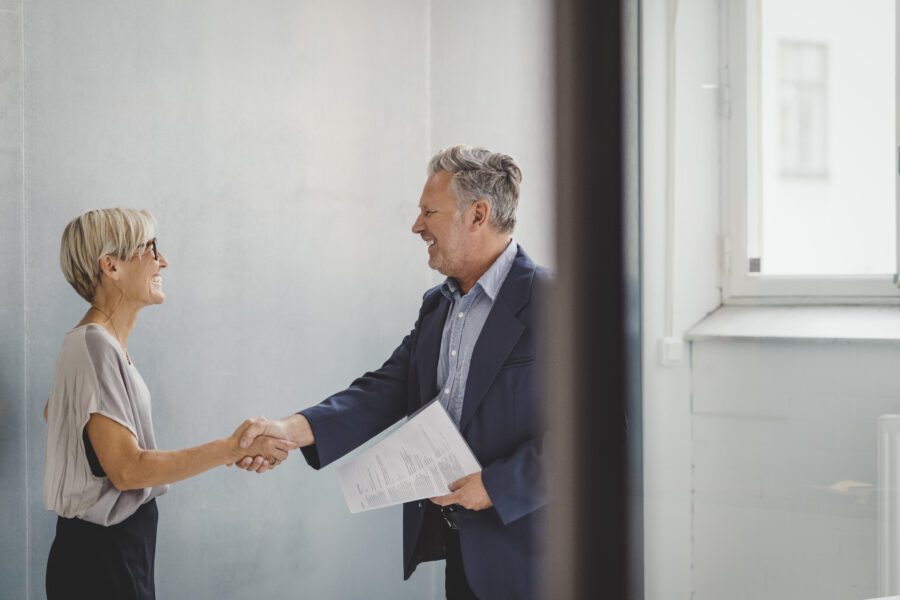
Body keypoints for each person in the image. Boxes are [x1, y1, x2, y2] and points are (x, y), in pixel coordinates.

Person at [238, 145, 550, 600]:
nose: (417, 225)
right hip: (463, 552)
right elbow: (386, 388)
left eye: (429, 211)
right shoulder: (439, 305)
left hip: (535, 560)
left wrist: (498, 486)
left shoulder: (555, 302)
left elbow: (600, 439)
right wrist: (290, 429)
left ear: (477, 214)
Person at [42, 208, 298, 600]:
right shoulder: (93, 344)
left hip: (115, 549)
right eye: (150, 248)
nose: (163, 260)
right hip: (103, 558)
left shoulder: (98, 345)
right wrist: (231, 448)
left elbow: (58, 414)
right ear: (110, 266)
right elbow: (127, 470)